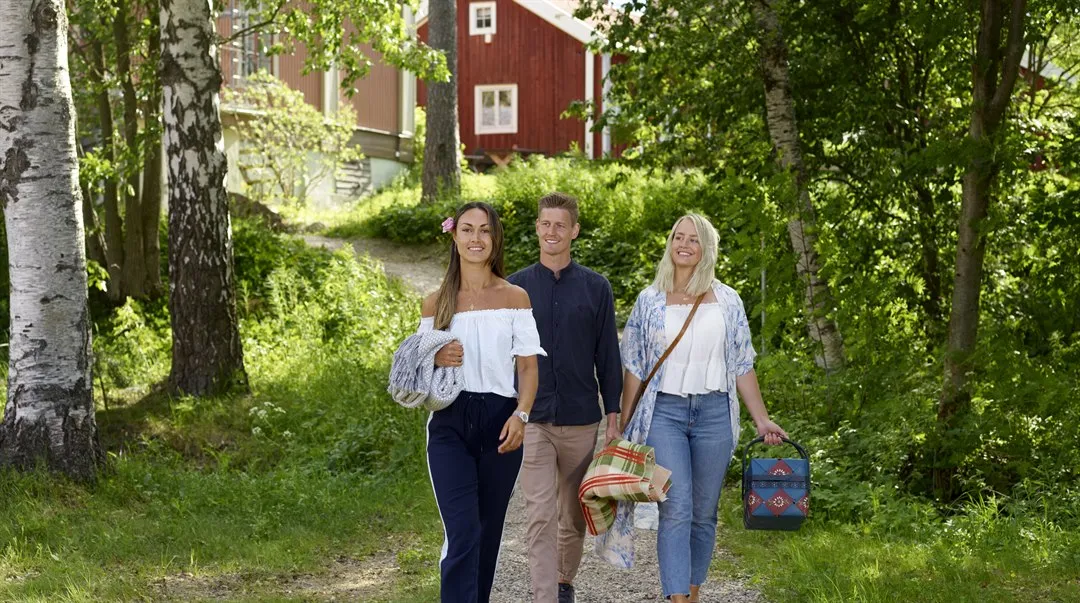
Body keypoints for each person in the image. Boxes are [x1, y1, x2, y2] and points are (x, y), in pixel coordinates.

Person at [598, 213, 787, 603]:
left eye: (693, 239)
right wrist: (621, 421)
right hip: (664, 413)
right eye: (677, 237)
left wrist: (761, 418)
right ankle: (677, 599)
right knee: (677, 505)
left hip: (716, 412)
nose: (683, 244)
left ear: (707, 248)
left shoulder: (728, 299)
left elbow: (742, 364)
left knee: (704, 512)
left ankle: (693, 594)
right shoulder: (650, 300)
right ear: (670, 244)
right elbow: (634, 366)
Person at [418, 201, 546, 603]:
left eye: (485, 230)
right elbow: (417, 368)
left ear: (495, 239)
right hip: (449, 422)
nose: (476, 238)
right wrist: (434, 356)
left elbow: (527, 368)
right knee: (463, 530)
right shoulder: (435, 302)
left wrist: (521, 416)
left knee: (488, 532)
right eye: (468, 229)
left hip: (500, 422)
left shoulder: (515, 298)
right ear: (454, 237)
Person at [508, 193, 622, 603]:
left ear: (574, 231)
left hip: (580, 419)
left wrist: (613, 415)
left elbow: (608, 355)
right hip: (533, 418)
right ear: (536, 228)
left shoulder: (596, 288)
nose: (552, 231)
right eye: (545, 223)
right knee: (539, 513)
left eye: (561, 224)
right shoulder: (516, 286)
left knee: (572, 515)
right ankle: (544, 597)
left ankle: (562, 583)